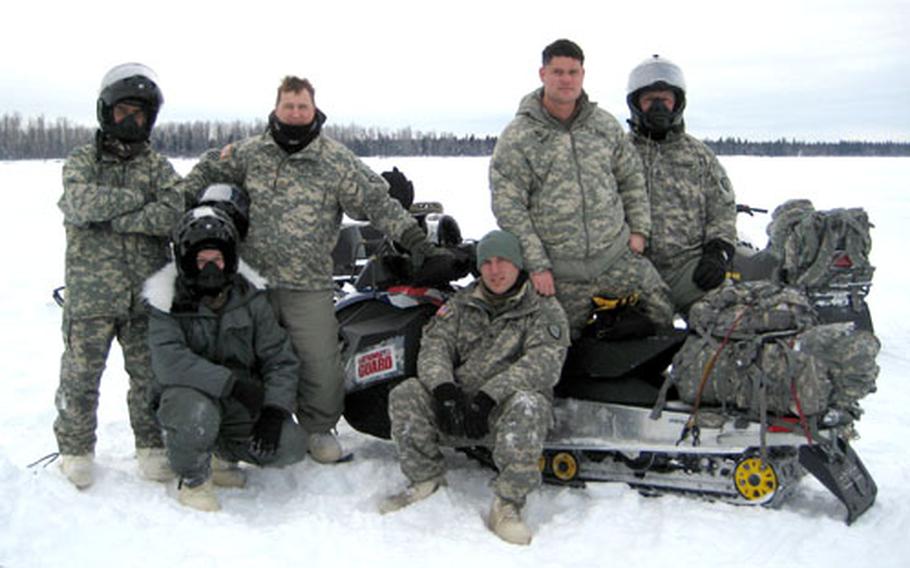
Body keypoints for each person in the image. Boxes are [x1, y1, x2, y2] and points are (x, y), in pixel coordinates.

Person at [180, 76, 439, 463]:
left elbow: (375, 201)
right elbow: (203, 175)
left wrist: (418, 244)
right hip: (253, 283)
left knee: (320, 365)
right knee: (245, 359)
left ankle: (319, 428)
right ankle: (239, 431)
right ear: (277, 108)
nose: (296, 113)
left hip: (309, 283)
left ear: (314, 109)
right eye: (289, 106)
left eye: (303, 107)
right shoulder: (249, 153)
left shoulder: (334, 159)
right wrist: (177, 207)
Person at [379, 230, 570, 546]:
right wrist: (444, 390)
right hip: (456, 408)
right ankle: (425, 480)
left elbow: (543, 364)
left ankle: (507, 504)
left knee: (529, 405)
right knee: (406, 394)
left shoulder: (544, 310)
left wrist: (489, 396)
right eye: (488, 263)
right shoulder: (460, 305)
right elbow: (434, 346)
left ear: (518, 264)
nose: (495, 271)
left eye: (504, 261)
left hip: (502, 412)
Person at [53, 63, 183, 489]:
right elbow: (78, 203)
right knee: (80, 377)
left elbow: (172, 212)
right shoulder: (81, 160)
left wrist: (118, 218)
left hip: (145, 294)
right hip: (92, 295)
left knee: (149, 379)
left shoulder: (159, 167)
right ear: (108, 111)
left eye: (140, 114)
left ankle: (151, 447)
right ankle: (75, 451)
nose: (132, 120)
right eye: (125, 110)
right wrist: (136, 204)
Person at [490, 39, 673, 339]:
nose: (566, 79)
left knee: (662, 315)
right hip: (561, 273)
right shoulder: (519, 136)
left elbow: (631, 179)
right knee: (555, 348)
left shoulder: (603, 126)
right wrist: (537, 266)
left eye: (573, 72)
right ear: (542, 74)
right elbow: (509, 208)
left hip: (615, 256)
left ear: (582, 75)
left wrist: (639, 231)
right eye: (558, 71)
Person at [143, 206, 308, 511]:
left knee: (291, 444)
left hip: (237, 403)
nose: (210, 269)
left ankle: (223, 456)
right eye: (202, 261)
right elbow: (170, 363)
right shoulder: (166, 302)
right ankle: (193, 479)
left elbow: (280, 358)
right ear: (186, 261)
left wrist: (275, 408)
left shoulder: (252, 299)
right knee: (196, 416)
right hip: (188, 397)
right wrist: (230, 384)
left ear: (229, 260)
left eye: (216, 260)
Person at [626, 55, 737, 313]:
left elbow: (723, 209)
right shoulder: (617, 153)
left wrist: (717, 253)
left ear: (677, 102)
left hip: (690, 267)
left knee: (729, 324)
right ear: (636, 104)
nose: (658, 107)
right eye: (649, 100)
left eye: (664, 100)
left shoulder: (699, 156)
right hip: (635, 272)